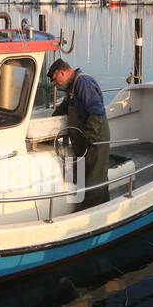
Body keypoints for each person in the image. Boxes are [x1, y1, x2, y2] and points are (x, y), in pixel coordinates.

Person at [48, 58, 110, 210]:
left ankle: (91, 216)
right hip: (82, 141)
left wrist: (90, 137)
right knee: (84, 176)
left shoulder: (83, 83)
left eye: (56, 80)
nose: (56, 84)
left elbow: (96, 111)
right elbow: (65, 106)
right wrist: (52, 118)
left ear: (62, 72)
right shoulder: (72, 87)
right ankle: (104, 206)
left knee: (94, 180)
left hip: (94, 140)